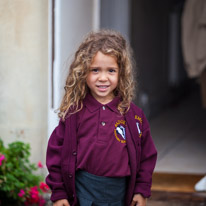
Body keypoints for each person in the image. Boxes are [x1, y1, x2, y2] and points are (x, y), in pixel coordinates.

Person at [46, 29, 157, 206]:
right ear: (83, 72)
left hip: (120, 194)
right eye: (95, 70)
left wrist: (141, 190)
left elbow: (147, 155)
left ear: (121, 73)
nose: (103, 78)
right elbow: (55, 154)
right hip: (83, 192)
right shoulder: (74, 114)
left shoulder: (134, 116)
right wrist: (59, 194)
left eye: (111, 70)